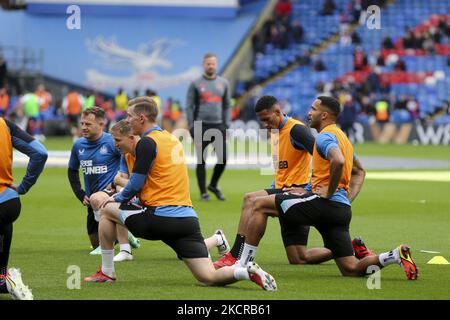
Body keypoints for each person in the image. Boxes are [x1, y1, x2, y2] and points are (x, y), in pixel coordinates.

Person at [85, 97, 277, 291]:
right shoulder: (171, 138)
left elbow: (135, 184)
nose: (126, 120)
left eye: (129, 116)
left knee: (106, 208)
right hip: (187, 220)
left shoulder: (147, 142)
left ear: (142, 118)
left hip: (159, 218)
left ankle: (107, 272)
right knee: (208, 276)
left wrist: (115, 198)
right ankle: (246, 271)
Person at [238, 96, 418, 280]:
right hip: (340, 209)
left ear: (324, 115)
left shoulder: (324, 136)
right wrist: (345, 198)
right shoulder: (343, 138)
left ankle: (242, 264)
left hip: (323, 204)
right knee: (351, 268)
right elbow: (360, 171)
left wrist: (329, 191)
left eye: (313, 109)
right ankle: (394, 255)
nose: (309, 112)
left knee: (259, 204)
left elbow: (337, 161)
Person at [214, 96, 372, 269]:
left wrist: (307, 188)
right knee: (299, 257)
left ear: (277, 112)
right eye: (261, 121)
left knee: (251, 200)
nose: (265, 125)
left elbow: (321, 156)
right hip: (283, 189)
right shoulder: (275, 133)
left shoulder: (297, 130)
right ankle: (349, 248)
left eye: (267, 120)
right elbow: (283, 167)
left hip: (298, 193)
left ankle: (235, 256)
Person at [67, 107, 139, 259]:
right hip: (92, 203)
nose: (83, 127)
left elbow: (125, 162)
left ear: (101, 124)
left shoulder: (113, 142)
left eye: (88, 124)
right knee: (96, 243)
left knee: (104, 245)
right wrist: (80, 194)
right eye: (82, 123)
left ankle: (123, 235)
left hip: (110, 195)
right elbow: (72, 170)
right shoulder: (78, 145)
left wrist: (117, 182)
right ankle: (124, 231)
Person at [0, 116, 48, 300]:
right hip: (8, 200)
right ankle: (5, 279)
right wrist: (23, 187)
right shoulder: (4, 124)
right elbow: (40, 153)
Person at [186, 53, 231, 201]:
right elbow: (189, 106)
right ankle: (203, 192)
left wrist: (226, 124)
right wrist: (192, 126)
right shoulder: (195, 84)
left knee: (223, 158)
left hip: (218, 125)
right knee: (201, 160)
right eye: (208, 64)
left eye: (213, 63)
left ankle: (213, 184)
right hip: (201, 125)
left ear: (216, 65)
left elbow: (226, 106)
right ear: (203, 65)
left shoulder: (224, 83)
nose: (210, 66)